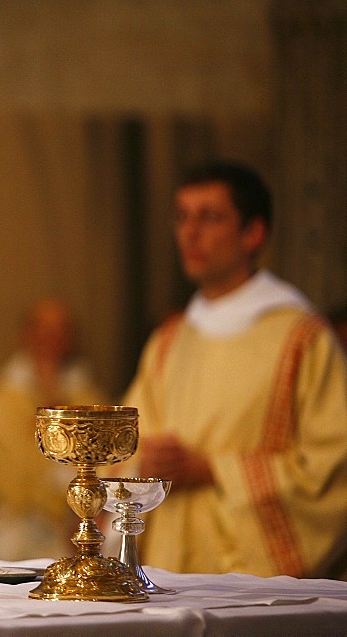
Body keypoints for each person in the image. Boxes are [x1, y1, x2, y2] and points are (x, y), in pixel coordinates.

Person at [121, 161, 347, 578]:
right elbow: (128, 448)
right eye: (182, 217)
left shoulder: (301, 338)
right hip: (167, 563)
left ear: (253, 233)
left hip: (251, 576)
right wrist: (144, 466)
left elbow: (331, 469)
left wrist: (210, 468)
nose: (189, 232)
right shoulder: (168, 342)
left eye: (209, 217)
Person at [0, 297, 107, 560]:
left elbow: (100, 465)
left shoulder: (91, 399)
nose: (51, 337)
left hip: (77, 528)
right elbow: (10, 472)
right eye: (43, 328)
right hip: (14, 528)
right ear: (26, 335)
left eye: (60, 330)